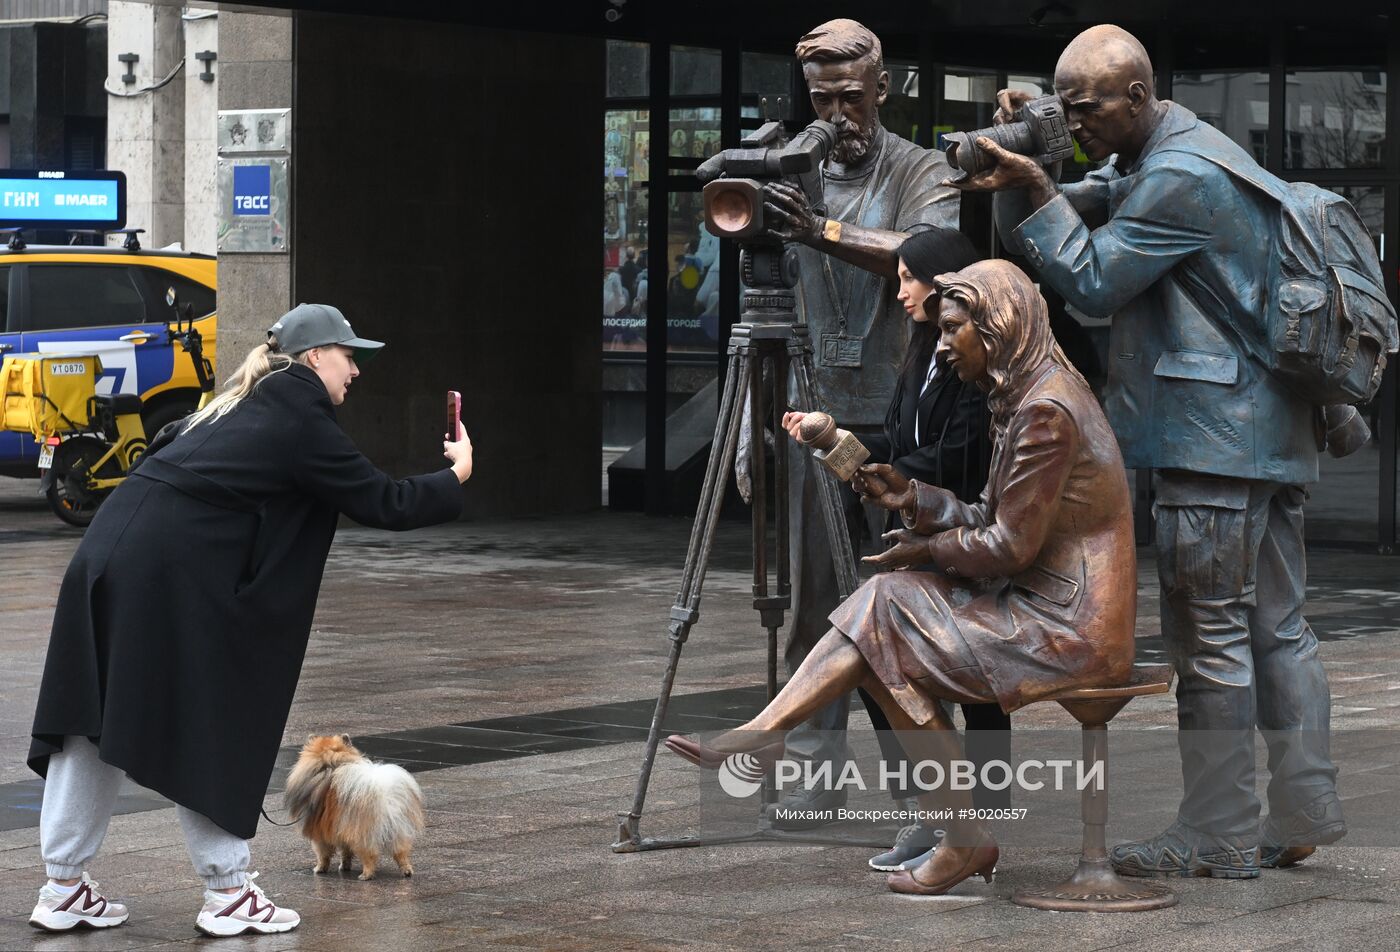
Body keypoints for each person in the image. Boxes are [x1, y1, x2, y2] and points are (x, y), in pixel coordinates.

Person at [956, 24, 1351, 877]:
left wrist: (1034, 183)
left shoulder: (1177, 176)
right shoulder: (1182, 148)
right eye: (1064, 110)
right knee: (1279, 627)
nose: (1078, 123)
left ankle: (1217, 830)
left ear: (1136, 96)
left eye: (1085, 108)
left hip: (1212, 443)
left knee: (1209, 635)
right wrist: (1030, 163)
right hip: (1266, 432)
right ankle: (1302, 807)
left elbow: (1092, 281)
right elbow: (1091, 200)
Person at [669, 259, 1138, 896]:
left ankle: (773, 740)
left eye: (951, 330)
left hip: (1068, 621)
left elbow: (1007, 545)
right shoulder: (1025, 394)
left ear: (997, 327)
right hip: (1041, 599)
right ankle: (946, 829)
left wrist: (927, 550)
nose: (941, 345)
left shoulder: (1046, 412)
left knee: (881, 613)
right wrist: (912, 496)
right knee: (879, 629)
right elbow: (989, 514)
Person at [27, 303, 473, 936]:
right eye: (350, 356)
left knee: (91, 718)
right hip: (165, 575)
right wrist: (456, 475)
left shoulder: (237, 402)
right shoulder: (299, 414)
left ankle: (63, 885)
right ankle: (229, 892)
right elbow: (384, 501)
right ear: (315, 357)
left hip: (104, 556)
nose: (356, 370)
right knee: (211, 719)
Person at [742, 17, 959, 828]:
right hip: (812, 418)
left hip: (904, 429)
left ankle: (921, 789)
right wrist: (745, 430)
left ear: (884, 88)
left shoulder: (921, 166)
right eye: (822, 97)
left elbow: (931, 252)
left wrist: (822, 229)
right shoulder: (791, 173)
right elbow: (763, 307)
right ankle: (811, 777)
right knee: (812, 606)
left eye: (851, 96)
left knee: (902, 607)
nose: (837, 114)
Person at [783, 227, 1004, 872]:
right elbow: (900, 438)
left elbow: (958, 454)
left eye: (911, 279)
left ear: (950, 287)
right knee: (883, 665)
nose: (900, 290)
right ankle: (927, 811)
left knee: (977, 689)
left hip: (967, 538)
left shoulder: (978, 364)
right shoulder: (921, 353)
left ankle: (979, 825)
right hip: (916, 535)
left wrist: (878, 468)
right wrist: (839, 439)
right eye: (900, 277)